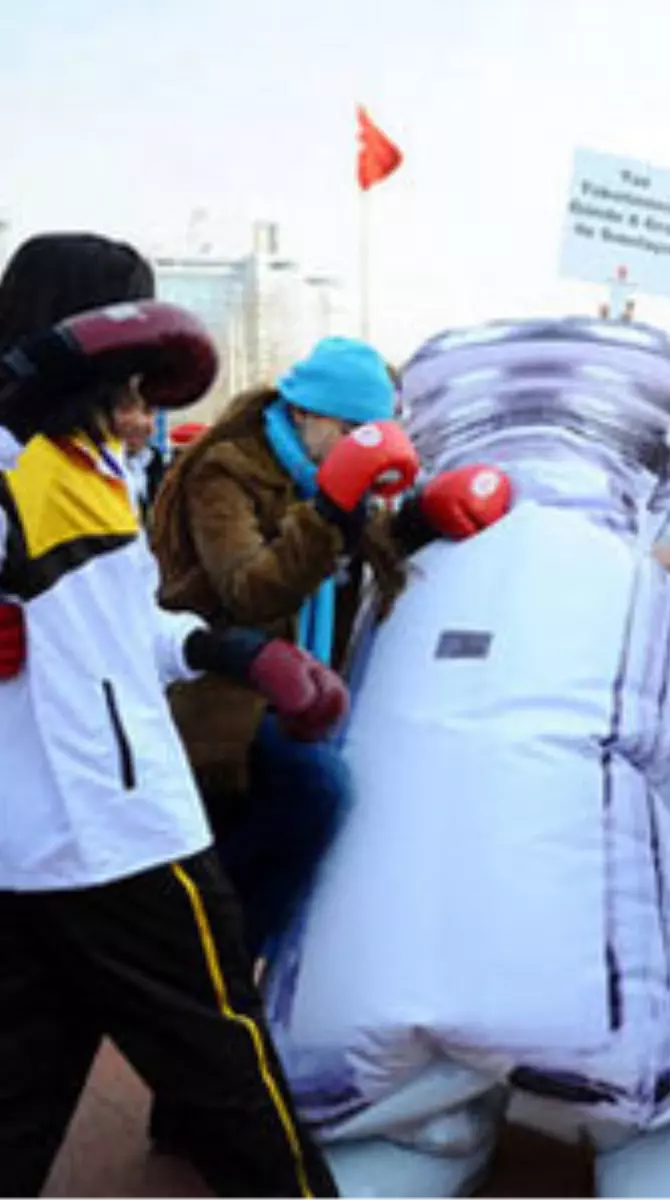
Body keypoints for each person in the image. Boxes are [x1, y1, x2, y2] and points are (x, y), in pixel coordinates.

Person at [0, 232, 343, 1199]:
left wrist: (233, 650)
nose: (145, 405)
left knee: (17, 1099)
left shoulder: (92, 466)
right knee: (240, 1092)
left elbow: (126, 628)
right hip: (117, 847)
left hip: (68, 844)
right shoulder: (11, 465)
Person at [151, 337, 511, 965]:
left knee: (292, 810)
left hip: (303, 686)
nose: (357, 447)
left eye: (369, 434)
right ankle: (207, 953)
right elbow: (251, 591)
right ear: (308, 414)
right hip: (218, 690)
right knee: (320, 790)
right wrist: (330, 509)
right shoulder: (226, 470)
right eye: (350, 430)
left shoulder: (319, 474)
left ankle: (212, 956)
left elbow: (358, 556)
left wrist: (422, 519)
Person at [111, 384, 167, 524]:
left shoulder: (159, 470)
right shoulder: (91, 471)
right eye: (125, 409)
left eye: (147, 411)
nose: (139, 422)